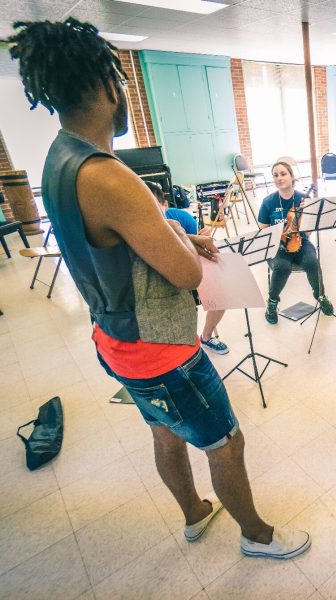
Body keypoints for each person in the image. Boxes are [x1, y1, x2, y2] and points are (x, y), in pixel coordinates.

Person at [9, 18, 310, 559]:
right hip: (160, 350)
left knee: (164, 432)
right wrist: (181, 240)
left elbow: (118, 242)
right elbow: (187, 276)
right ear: (106, 87)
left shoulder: (58, 159)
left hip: (113, 339)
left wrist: (174, 231)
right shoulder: (106, 175)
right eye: (120, 83)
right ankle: (257, 537)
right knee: (226, 442)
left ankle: (195, 513)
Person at [144, 180, 229, 355]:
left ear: (165, 205)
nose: (148, 212)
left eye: (153, 205)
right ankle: (185, 344)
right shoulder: (136, 229)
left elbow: (197, 257)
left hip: (189, 270)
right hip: (161, 281)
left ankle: (206, 337)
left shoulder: (182, 218)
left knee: (221, 294)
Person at [257, 160, 333, 324]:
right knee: (282, 267)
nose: (279, 178)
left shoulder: (302, 199)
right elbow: (263, 229)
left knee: (312, 262)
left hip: (300, 241)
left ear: (292, 176)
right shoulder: (268, 201)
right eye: (275, 175)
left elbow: (308, 231)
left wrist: (307, 213)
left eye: (283, 174)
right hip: (277, 246)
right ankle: (272, 302)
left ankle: (320, 295)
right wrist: (280, 234)